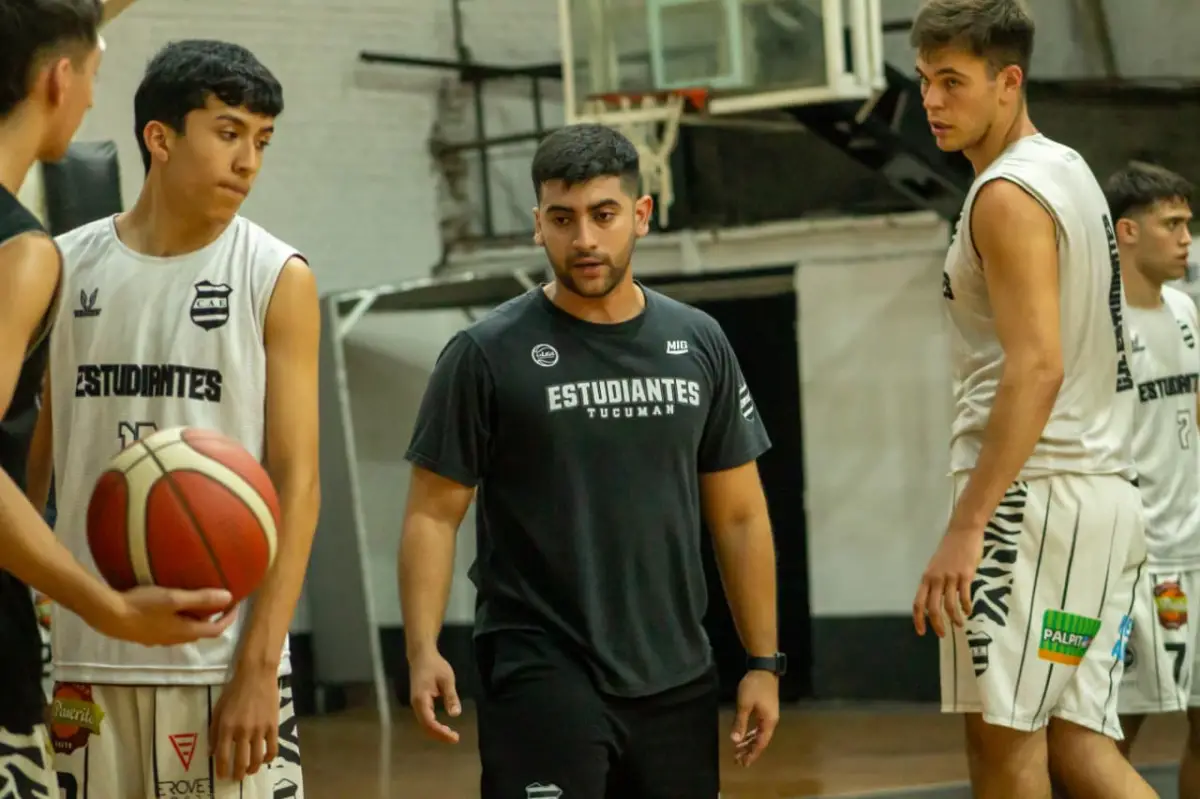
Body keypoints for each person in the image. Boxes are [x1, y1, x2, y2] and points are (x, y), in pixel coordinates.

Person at [399, 123, 782, 798]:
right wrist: (423, 646)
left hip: (675, 670)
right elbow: (433, 512)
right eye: (562, 218)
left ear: (640, 215)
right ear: (537, 225)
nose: (584, 240)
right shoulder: (484, 354)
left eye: (604, 215)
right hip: (540, 662)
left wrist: (762, 660)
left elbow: (742, 515)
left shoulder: (699, 342)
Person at [24, 38, 321, 798]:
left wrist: (261, 663)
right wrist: (34, 592)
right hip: (85, 659)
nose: (249, 160)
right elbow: (41, 450)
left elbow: (299, 480)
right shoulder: (62, 264)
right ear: (160, 138)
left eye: (262, 140)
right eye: (228, 132)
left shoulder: (275, 275)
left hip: (224, 662)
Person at [907, 1, 1157, 797]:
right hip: (1098, 497)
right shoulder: (1070, 168)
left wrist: (969, 523)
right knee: (1079, 748)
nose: (933, 102)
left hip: (1034, 503)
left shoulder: (1006, 195)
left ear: (1008, 81)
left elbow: (1038, 366)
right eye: (923, 81)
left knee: (1005, 751)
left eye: (953, 82)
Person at [0, 2, 237, 792]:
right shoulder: (24, 251)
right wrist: (105, 606)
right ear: (60, 78)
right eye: (96, 75)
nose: (98, 99)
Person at [1105, 162, 1200, 793]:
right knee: (1113, 727)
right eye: (1171, 224)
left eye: (1188, 224)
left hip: (1193, 547)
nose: (1186, 238)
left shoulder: (1186, 308)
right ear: (1127, 232)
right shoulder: (1097, 323)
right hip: (1131, 559)